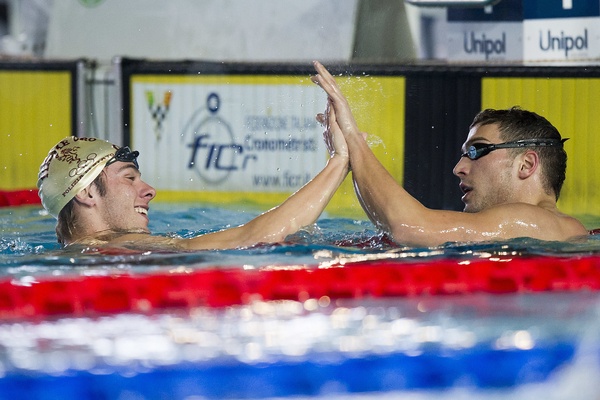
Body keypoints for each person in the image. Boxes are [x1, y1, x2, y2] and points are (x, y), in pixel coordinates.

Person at [311, 61, 588, 246]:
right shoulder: (536, 233)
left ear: (526, 164)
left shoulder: (537, 221)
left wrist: (351, 138)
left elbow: (409, 227)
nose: (458, 168)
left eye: (477, 150)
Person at [37, 118, 349, 249]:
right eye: (129, 177)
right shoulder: (115, 248)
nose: (149, 191)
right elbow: (254, 238)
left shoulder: (78, 254)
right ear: (87, 192)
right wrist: (338, 161)